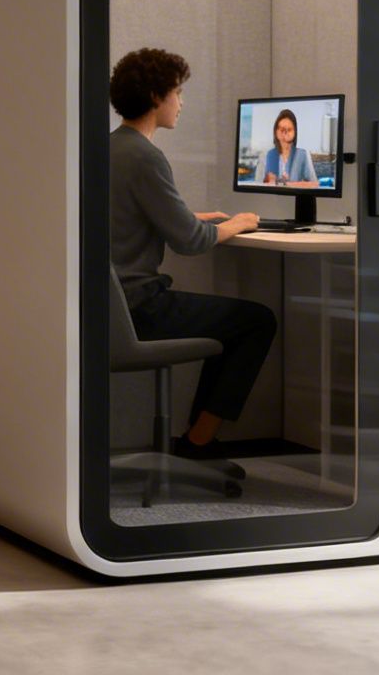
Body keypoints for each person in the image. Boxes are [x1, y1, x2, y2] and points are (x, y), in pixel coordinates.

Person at [108, 47, 276, 462]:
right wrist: (236, 224)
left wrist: (190, 216)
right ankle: (198, 442)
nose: (181, 103)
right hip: (139, 306)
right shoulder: (146, 157)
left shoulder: (109, 148)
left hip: (109, 308)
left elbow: (129, 217)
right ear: (155, 96)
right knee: (257, 321)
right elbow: (190, 241)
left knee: (241, 321)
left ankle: (198, 438)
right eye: (177, 93)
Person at [257, 108, 319, 187]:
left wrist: (285, 184)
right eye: (282, 129)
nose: (285, 133)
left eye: (289, 130)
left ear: (295, 132)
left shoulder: (303, 154)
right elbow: (257, 184)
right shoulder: (265, 155)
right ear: (276, 131)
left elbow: (315, 184)